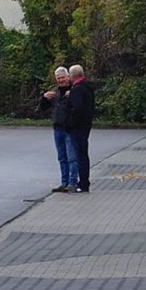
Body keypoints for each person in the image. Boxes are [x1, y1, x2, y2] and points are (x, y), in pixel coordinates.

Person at [38, 66, 78, 192]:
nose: (61, 80)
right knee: (62, 158)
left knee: (72, 158)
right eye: (58, 78)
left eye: (62, 77)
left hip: (69, 129)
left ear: (68, 77)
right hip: (57, 129)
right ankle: (64, 182)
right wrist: (44, 98)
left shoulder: (74, 91)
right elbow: (42, 108)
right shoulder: (55, 94)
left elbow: (80, 107)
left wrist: (72, 96)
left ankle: (73, 183)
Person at [66, 64, 95, 194]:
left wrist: (70, 122)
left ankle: (83, 183)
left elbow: (77, 108)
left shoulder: (77, 90)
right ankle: (84, 182)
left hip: (78, 126)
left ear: (72, 76)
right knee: (83, 154)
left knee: (80, 155)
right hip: (86, 124)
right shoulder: (88, 87)